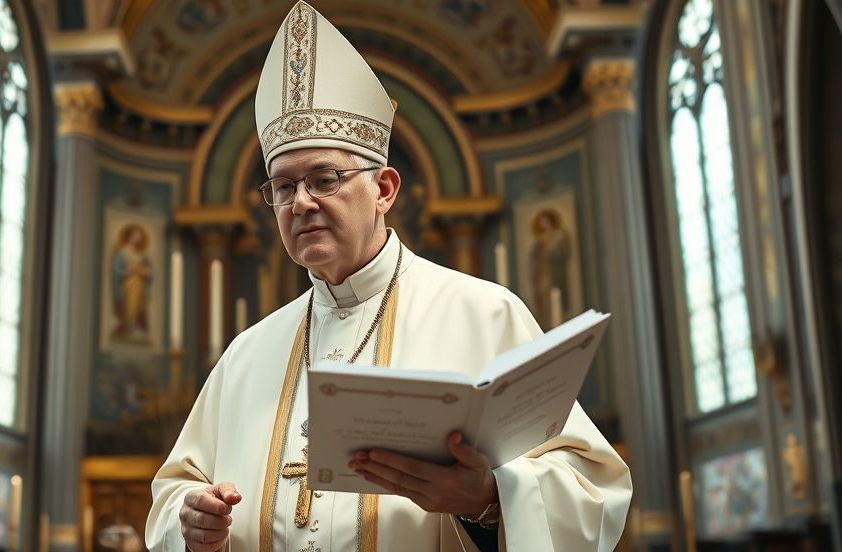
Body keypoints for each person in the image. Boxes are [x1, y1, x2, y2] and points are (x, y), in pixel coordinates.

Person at [146, 2, 632, 550]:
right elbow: (175, 492)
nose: (299, 202)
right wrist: (191, 524)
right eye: (282, 187)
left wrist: (490, 498)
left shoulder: (483, 313)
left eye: (324, 178)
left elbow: (592, 492)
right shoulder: (246, 355)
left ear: (384, 191)